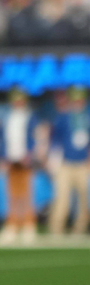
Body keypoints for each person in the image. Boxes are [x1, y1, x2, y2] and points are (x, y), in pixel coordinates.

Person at [0, 87, 38, 244]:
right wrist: (2, 157)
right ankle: (12, 225)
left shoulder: (30, 116)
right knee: (12, 195)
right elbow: (2, 139)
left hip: (25, 160)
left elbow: (34, 138)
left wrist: (29, 154)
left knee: (27, 195)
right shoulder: (7, 117)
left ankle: (28, 225)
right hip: (11, 160)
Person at [48, 86, 88, 236]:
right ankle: (56, 228)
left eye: (80, 99)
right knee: (61, 198)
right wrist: (53, 160)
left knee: (85, 199)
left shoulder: (87, 117)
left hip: (84, 164)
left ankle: (80, 228)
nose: (78, 102)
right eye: (75, 99)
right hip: (65, 163)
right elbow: (55, 140)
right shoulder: (63, 117)